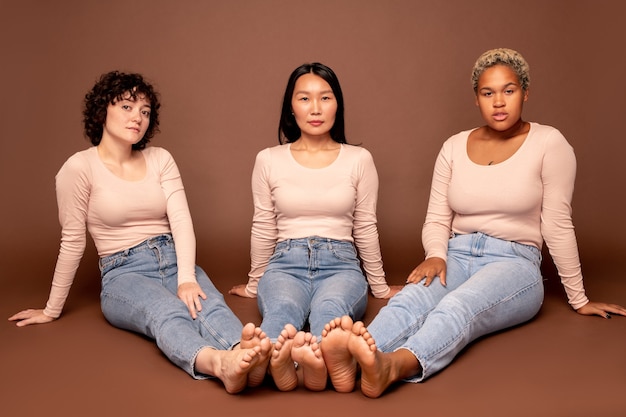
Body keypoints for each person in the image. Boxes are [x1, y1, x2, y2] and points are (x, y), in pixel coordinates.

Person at [321, 48, 626, 398]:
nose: (499, 101)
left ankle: (394, 366)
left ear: (525, 92)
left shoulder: (549, 143)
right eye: (488, 92)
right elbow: (437, 217)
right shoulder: (453, 147)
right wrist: (436, 254)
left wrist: (579, 298)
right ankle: (350, 361)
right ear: (477, 99)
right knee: (410, 300)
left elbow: (557, 225)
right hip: (456, 253)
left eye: (508, 90)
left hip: (514, 262)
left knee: (457, 306)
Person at [8, 71, 271, 394]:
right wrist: (51, 308)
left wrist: (186, 277)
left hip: (174, 256)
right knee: (166, 312)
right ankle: (217, 364)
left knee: (209, 302)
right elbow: (73, 241)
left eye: (145, 111)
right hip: (124, 272)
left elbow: (181, 222)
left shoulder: (160, 159)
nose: (138, 118)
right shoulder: (78, 168)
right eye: (128, 107)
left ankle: (247, 358)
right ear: (102, 110)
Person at [228, 62, 401, 391]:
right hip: (284, 263)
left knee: (330, 312)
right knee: (281, 311)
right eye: (304, 98)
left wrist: (378, 287)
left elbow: (365, 226)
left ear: (338, 105)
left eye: (326, 97)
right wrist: (254, 283)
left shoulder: (358, 159)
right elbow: (263, 225)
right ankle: (268, 363)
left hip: (342, 265)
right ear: (291, 108)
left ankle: (318, 363)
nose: (316, 108)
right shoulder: (268, 159)